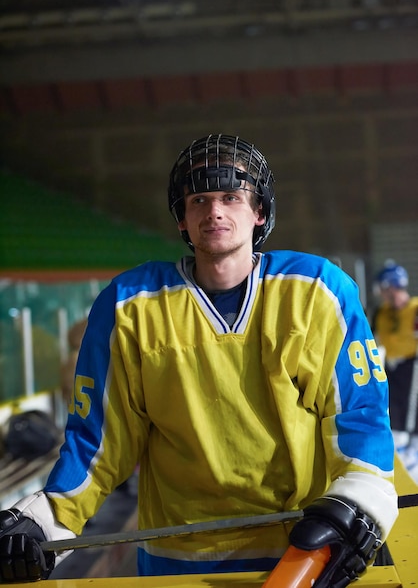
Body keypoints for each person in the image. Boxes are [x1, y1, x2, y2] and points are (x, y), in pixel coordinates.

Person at [0, 134, 398, 586]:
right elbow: (100, 440)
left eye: (231, 197)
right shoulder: (129, 304)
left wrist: (360, 500)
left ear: (259, 212)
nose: (214, 211)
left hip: (299, 553)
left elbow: (360, 416)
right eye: (199, 200)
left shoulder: (319, 292)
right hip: (177, 562)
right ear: (183, 222)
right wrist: (46, 516)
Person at [372, 260, 418, 481]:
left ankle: (412, 458)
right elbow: (374, 337)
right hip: (391, 366)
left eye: (383, 288)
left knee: (409, 418)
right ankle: (404, 454)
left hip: (412, 365)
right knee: (394, 415)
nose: (381, 293)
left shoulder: (415, 308)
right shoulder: (382, 312)